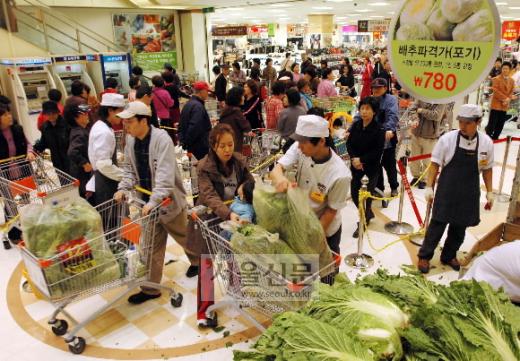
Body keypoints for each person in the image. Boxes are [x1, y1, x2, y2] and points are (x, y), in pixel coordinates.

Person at [115, 101, 188, 304]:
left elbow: (165, 176)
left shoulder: (162, 140)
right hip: (147, 204)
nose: (126, 126)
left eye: (130, 121)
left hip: (167, 201)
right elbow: (129, 169)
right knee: (150, 246)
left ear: (143, 120)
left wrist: (154, 200)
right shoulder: (130, 141)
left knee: (185, 235)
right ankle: (150, 289)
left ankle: (199, 262)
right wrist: (123, 187)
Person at [187, 124, 254, 327]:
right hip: (210, 219)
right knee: (207, 263)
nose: (227, 149)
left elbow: (251, 181)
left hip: (234, 218)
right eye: (222, 145)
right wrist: (228, 213)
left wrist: (245, 185)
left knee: (234, 254)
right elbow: (208, 196)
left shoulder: (239, 162)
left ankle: (236, 289)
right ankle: (205, 309)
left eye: (230, 145)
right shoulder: (204, 167)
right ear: (213, 146)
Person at [417, 104, 494, 274]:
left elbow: (487, 168)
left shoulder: (486, 143)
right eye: (461, 122)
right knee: (437, 223)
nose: (463, 127)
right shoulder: (448, 139)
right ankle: (425, 255)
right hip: (447, 188)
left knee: (460, 227)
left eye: (468, 123)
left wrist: (490, 191)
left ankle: (449, 255)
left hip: (469, 191)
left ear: (478, 122)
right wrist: (429, 186)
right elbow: (435, 164)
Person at [271, 115, 351, 256]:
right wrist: (280, 180)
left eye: (303, 143)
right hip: (302, 220)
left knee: (326, 270)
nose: (299, 147)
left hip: (325, 228)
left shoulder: (340, 174)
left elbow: (331, 211)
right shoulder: (301, 146)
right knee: (304, 270)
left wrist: (312, 239)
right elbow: (277, 170)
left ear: (321, 141)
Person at [347, 96, 385, 238]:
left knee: (364, 197)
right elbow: (349, 143)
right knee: (354, 195)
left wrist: (361, 159)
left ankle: (363, 222)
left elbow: (377, 152)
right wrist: (353, 158)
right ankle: (368, 213)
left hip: (370, 169)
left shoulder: (379, 130)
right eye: (362, 108)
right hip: (355, 167)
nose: (364, 111)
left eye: (367, 109)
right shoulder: (356, 125)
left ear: (374, 111)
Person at [0, 104, 36, 245]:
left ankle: (29, 229)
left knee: (26, 201)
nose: (9, 116)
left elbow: (28, 144)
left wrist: (29, 152)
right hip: (5, 175)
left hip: (23, 171)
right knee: (10, 206)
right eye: (5, 115)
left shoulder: (17, 129)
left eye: (9, 113)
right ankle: (14, 234)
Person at [86, 93, 125, 205]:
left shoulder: (100, 125)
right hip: (106, 182)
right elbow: (103, 164)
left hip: (104, 177)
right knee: (112, 218)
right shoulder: (103, 131)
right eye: (120, 111)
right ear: (110, 111)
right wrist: (124, 175)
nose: (122, 115)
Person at [408, 100, 449, 189]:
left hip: (430, 136)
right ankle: (416, 177)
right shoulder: (421, 97)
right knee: (414, 158)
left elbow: (437, 116)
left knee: (427, 159)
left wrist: (421, 111)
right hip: (416, 133)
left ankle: (424, 180)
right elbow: (412, 109)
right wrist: (415, 119)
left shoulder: (442, 101)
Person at [371, 78, 399, 198]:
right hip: (373, 138)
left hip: (387, 138)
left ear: (385, 88)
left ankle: (394, 187)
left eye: (379, 87)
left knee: (390, 165)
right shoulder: (370, 100)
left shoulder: (391, 99)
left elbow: (393, 117)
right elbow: (361, 114)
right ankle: (379, 188)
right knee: (376, 165)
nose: (376, 90)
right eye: (374, 87)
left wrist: (387, 129)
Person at [65, 101, 93, 200]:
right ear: (76, 117)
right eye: (84, 113)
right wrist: (84, 163)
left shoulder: (81, 130)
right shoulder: (79, 133)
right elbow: (72, 151)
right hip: (83, 178)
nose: (87, 115)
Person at [33, 101, 70, 174]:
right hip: (57, 162)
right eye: (48, 114)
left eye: (53, 113)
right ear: (45, 115)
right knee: (64, 182)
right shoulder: (45, 127)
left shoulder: (67, 124)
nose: (51, 116)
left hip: (70, 161)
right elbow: (43, 143)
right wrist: (33, 151)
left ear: (57, 112)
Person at [179, 81, 212, 160]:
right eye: (207, 91)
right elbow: (194, 127)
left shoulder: (189, 103)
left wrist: (184, 141)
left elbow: (181, 125)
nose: (208, 93)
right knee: (199, 168)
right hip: (198, 146)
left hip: (191, 145)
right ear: (202, 91)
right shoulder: (198, 106)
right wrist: (187, 142)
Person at [485, 61, 516, 140]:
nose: (505, 70)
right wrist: (505, 98)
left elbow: (512, 90)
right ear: (501, 69)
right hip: (496, 105)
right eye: (503, 68)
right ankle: (488, 138)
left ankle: (496, 138)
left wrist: (508, 99)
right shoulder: (495, 79)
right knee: (492, 123)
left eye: (507, 69)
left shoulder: (512, 81)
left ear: (510, 70)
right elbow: (495, 90)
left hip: (505, 106)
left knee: (500, 124)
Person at [219, 87, 251, 152]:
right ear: (237, 97)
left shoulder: (226, 110)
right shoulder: (236, 112)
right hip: (236, 143)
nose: (244, 98)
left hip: (227, 141)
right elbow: (246, 127)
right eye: (242, 96)